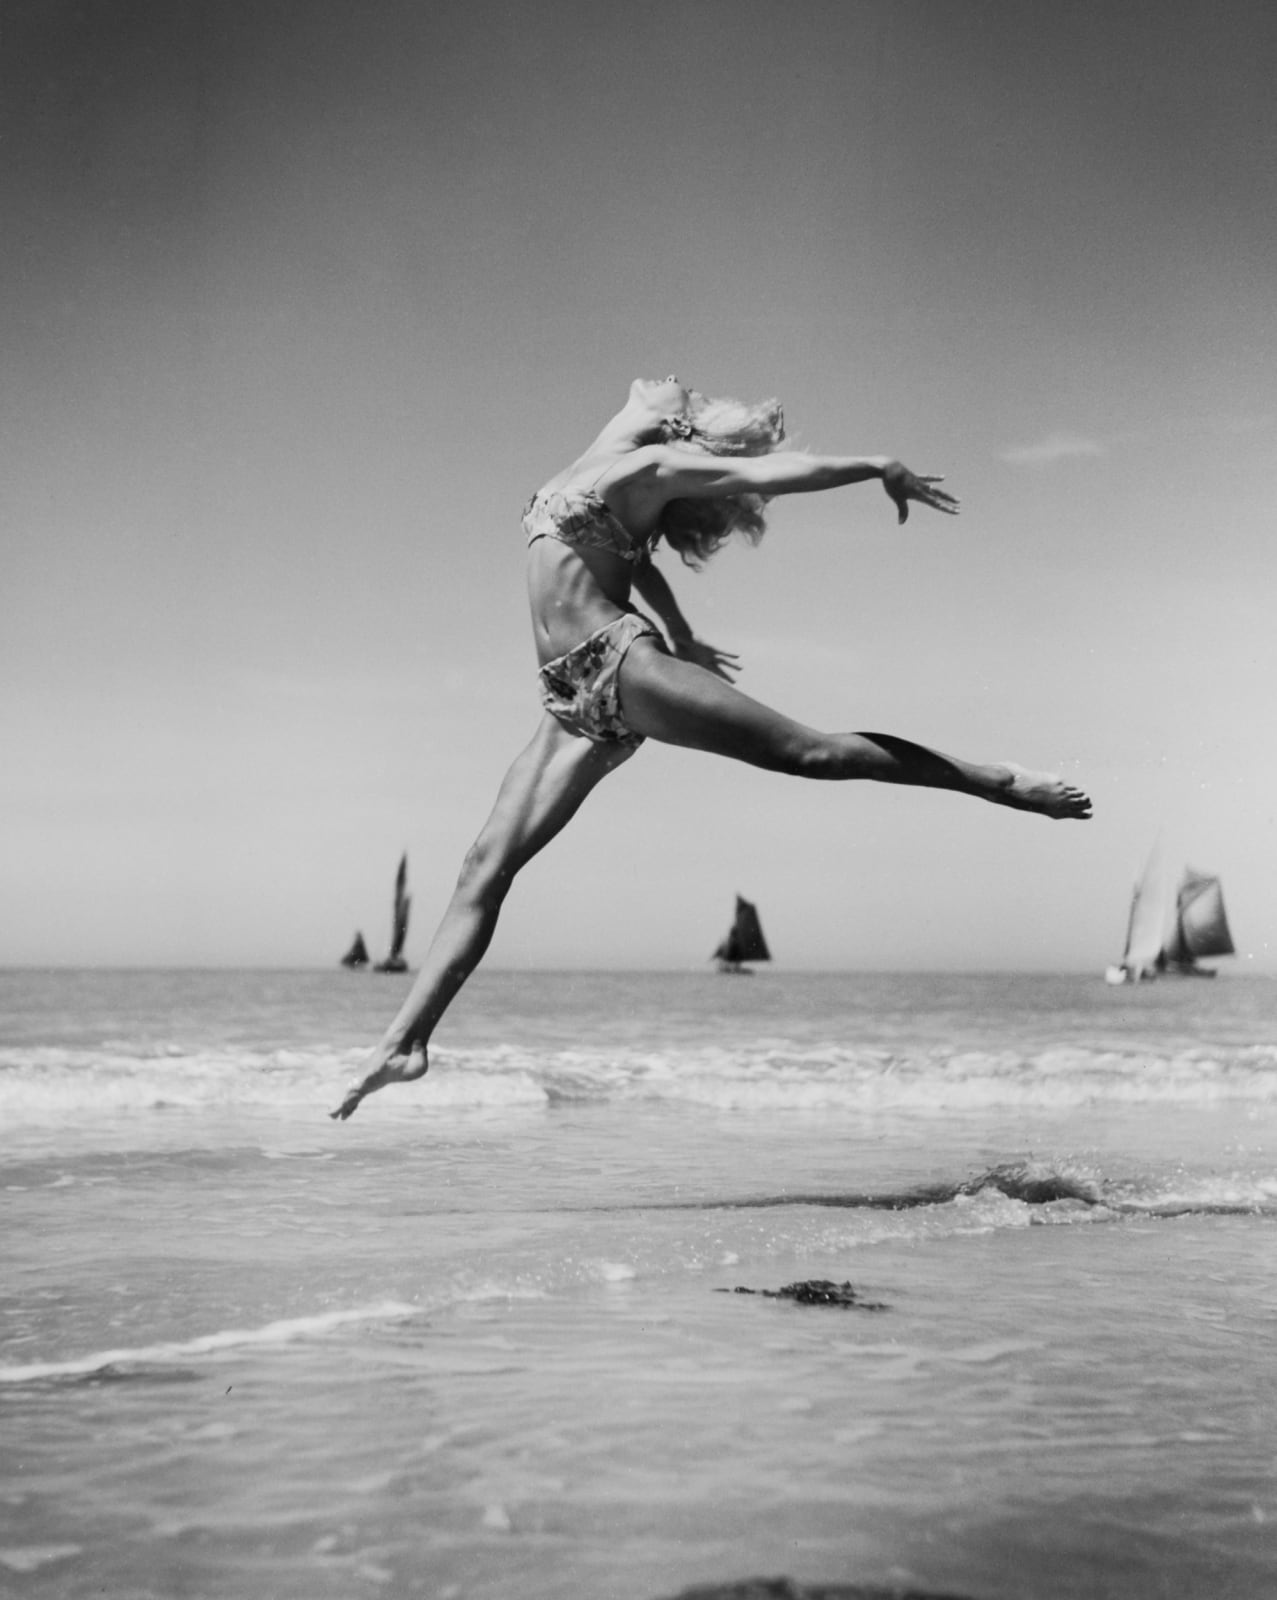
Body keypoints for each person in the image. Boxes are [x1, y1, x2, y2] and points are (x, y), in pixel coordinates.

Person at [331, 375, 1090, 1120]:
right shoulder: (591, 469)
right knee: (481, 867)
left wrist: (874, 467)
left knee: (812, 753)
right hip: (567, 694)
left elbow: (772, 473)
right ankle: (406, 1043)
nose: (670, 380)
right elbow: (640, 563)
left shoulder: (648, 466)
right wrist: (687, 633)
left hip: (618, 658)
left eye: (684, 396)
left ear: (682, 430)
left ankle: (995, 782)